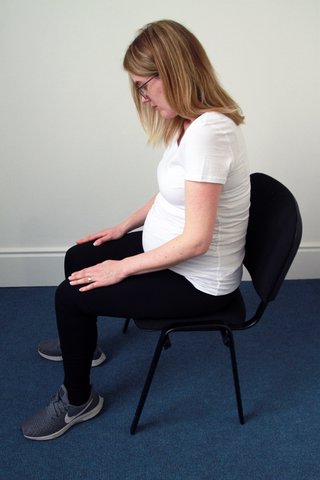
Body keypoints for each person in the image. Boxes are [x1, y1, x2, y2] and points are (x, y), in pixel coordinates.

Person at [21, 19, 250, 440]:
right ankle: (83, 348)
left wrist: (123, 267)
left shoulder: (208, 134)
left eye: (144, 86)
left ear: (174, 72)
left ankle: (78, 401)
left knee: (70, 296)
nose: (142, 98)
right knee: (79, 256)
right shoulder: (187, 123)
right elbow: (172, 193)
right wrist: (122, 227)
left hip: (197, 280)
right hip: (172, 252)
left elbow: (197, 239)